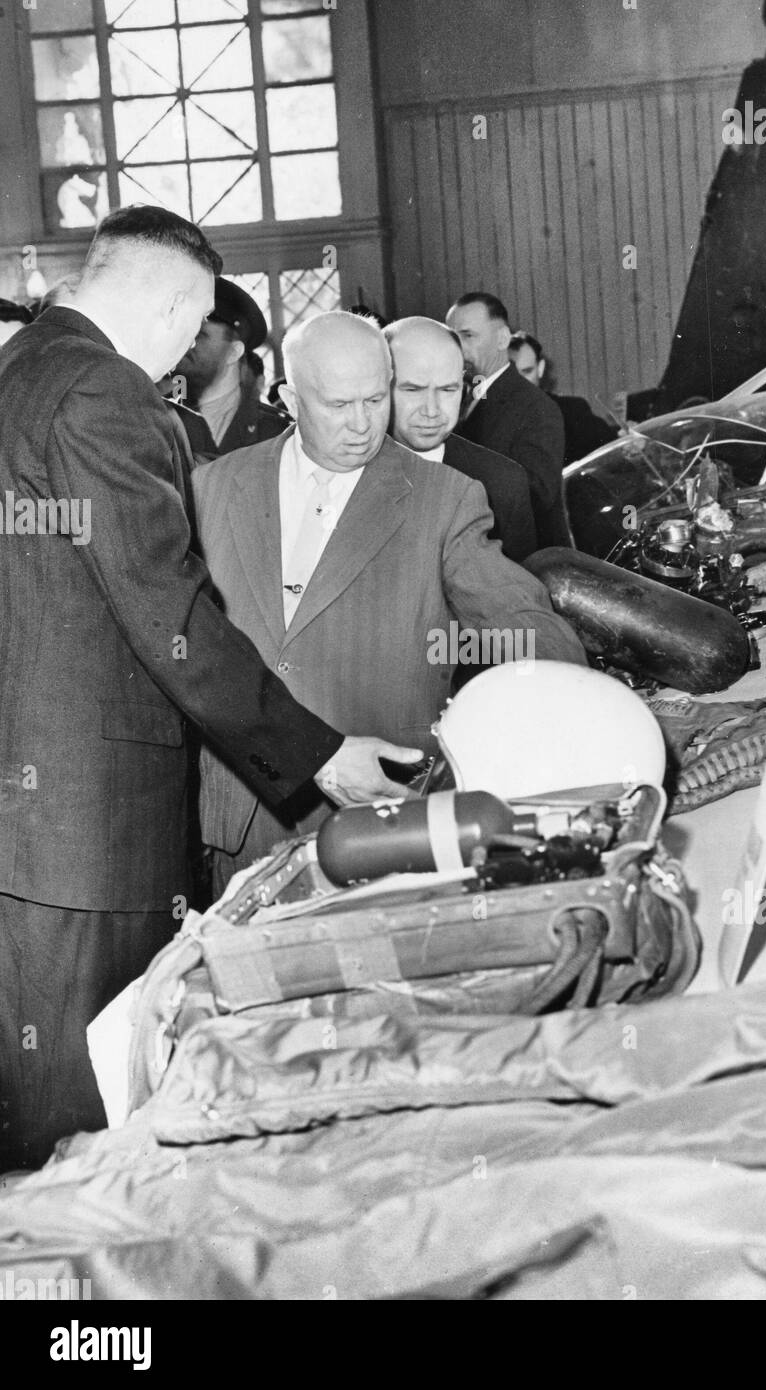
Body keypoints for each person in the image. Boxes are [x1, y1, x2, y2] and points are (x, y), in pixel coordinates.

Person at [0, 208, 419, 1172]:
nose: (187, 360)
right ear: (175, 306)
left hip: (35, 821)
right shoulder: (105, 393)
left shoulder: (19, 370)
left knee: (32, 1108)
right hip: (89, 830)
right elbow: (172, 617)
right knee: (95, 1124)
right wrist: (319, 754)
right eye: (192, 336)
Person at [193, 311, 586, 893]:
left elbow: (520, 622)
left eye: (376, 400)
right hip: (236, 821)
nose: (361, 425)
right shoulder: (211, 487)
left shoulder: (443, 499)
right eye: (337, 405)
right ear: (289, 398)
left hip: (376, 824)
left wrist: (573, 700)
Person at [385, 315, 538, 563]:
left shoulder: (502, 483)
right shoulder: (346, 470)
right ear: (380, 387)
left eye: (448, 390)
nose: (432, 410)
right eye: (413, 389)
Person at [446, 292, 570, 548]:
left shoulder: (535, 407)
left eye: (468, 336)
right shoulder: (459, 399)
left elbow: (537, 495)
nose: (457, 348)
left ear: (503, 338)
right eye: (452, 337)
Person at [173, 275, 289, 461]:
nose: (187, 343)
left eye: (200, 335)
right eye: (184, 333)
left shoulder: (277, 434)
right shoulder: (159, 421)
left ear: (234, 352)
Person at [508, 330, 618, 465]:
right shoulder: (483, 420)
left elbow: (612, 450)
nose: (520, 383)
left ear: (540, 368)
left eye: (527, 372)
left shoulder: (572, 411)